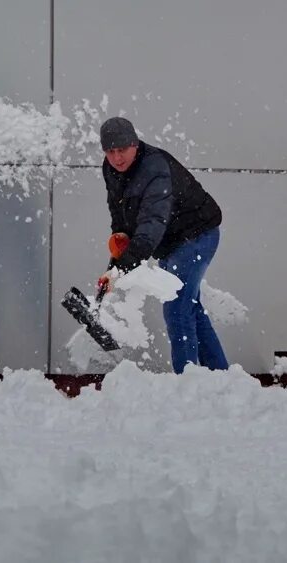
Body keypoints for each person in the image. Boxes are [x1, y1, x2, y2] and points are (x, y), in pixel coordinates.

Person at [97, 116, 229, 374]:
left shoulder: (154, 169)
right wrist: (115, 260)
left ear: (134, 145)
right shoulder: (111, 169)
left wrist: (121, 269)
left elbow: (151, 224)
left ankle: (187, 384)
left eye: (122, 150)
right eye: (110, 151)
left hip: (197, 235)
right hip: (170, 243)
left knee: (177, 308)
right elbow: (121, 217)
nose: (117, 158)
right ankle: (222, 377)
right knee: (190, 308)